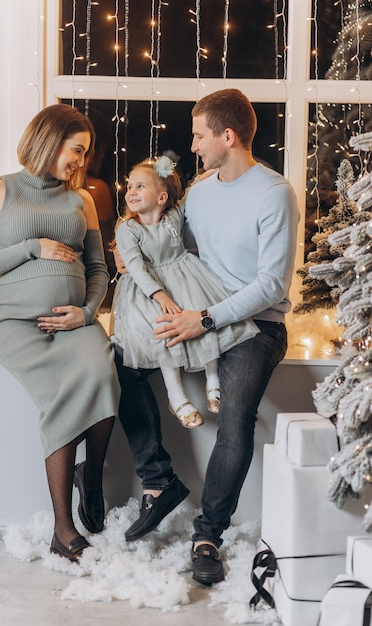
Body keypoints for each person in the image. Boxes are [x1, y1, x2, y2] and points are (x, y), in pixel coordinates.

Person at [114, 88, 299, 585]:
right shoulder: (197, 192)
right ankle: (159, 481)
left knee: (235, 419)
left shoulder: (274, 193)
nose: (192, 145)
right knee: (124, 364)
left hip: (255, 325)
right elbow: (177, 250)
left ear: (228, 136)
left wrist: (205, 319)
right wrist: (132, 254)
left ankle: (207, 536)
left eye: (199, 135)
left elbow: (272, 285)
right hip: (198, 311)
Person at [0, 104, 121, 563]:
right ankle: (62, 526)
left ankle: (89, 480)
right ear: (49, 139)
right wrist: (32, 247)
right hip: (16, 325)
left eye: (85, 153)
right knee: (62, 398)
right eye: (76, 150)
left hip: (74, 322)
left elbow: (98, 267)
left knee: (104, 374)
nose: (80, 161)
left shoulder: (82, 199)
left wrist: (87, 313)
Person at [111, 156, 257, 428]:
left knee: (204, 314)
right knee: (164, 331)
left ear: (162, 196)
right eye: (130, 186)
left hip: (185, 276)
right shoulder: (128, 230)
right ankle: (176, 395)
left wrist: (214, 166)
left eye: (140, 186)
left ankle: (213, 381)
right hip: (147, 290)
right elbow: (137, 268)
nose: (131, 192)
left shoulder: (173, 216)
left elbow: (192, 190)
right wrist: (161, 296)